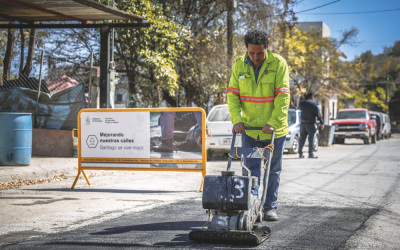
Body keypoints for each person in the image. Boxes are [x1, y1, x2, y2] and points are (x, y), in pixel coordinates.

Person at [227, 29, 290, 222]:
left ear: (267, 48)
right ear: (246, 49)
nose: (255, 57)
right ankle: (252, 205)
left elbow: (283, 97)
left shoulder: (278, 64)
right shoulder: (239, 65)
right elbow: (232, 95)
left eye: (259, 53)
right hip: (249, 131)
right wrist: (236, 120)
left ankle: (270, 207)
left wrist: (272, 123)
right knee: (250, 169)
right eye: (252, 53)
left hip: (274, 131)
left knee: (272, 169)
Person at [298, 92, 324, 159]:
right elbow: (318, 115)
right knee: (311, 138)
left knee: (302, 138)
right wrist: (322, 123)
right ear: (312, 97)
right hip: (310, 124)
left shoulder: (301, 104)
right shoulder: (314, 104)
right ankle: (310, 153)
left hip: (302, 123)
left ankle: (300, 153)